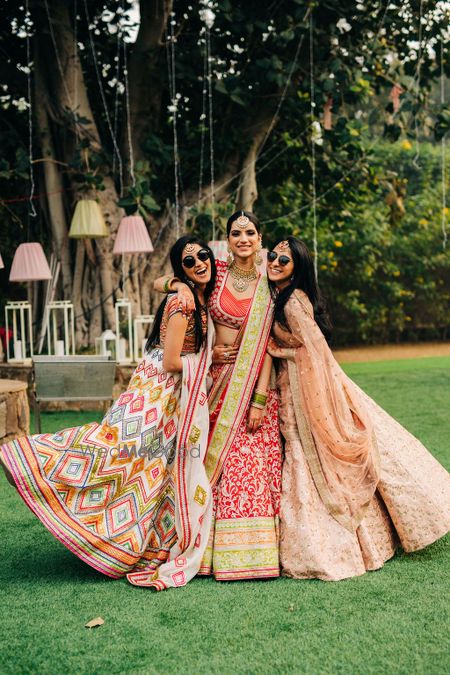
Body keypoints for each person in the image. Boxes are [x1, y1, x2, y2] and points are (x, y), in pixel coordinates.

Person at [0, 236, 217, 591]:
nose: (200, 264)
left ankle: (128, 537)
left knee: (148, 467)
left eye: (203, 256)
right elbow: (172, 361)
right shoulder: (183, 306)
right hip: (158, 393)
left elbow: (155, 281)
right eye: (189, 262)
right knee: (118, 452)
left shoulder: (190, 291)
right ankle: (34, 461)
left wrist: (177, 281)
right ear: (183, 268)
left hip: (158, 389)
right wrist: (207, 360)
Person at [266, 236, 450, 581]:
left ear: (297, 268)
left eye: (284, 260)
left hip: (306, 392)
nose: (275, 262)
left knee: (318, 459)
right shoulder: (284, 295)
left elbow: (314, 353)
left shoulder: (291, 301)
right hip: (299, 386)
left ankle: (326, 546)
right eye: (273, 255)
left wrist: (279, 352)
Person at [155, 211, 282, 580]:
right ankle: (202, 547)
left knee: (247, 466)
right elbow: (160, 279)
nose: (243, 238)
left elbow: (268, 346)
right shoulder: (217, 272)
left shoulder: (268, 281)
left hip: (253, 385)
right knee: (211, 466)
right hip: (210, 383)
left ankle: (248, 554)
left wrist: (259, 398)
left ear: (260, 239)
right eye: (235, 233)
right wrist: (175, 286)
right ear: (227, 240)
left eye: (250, 233)